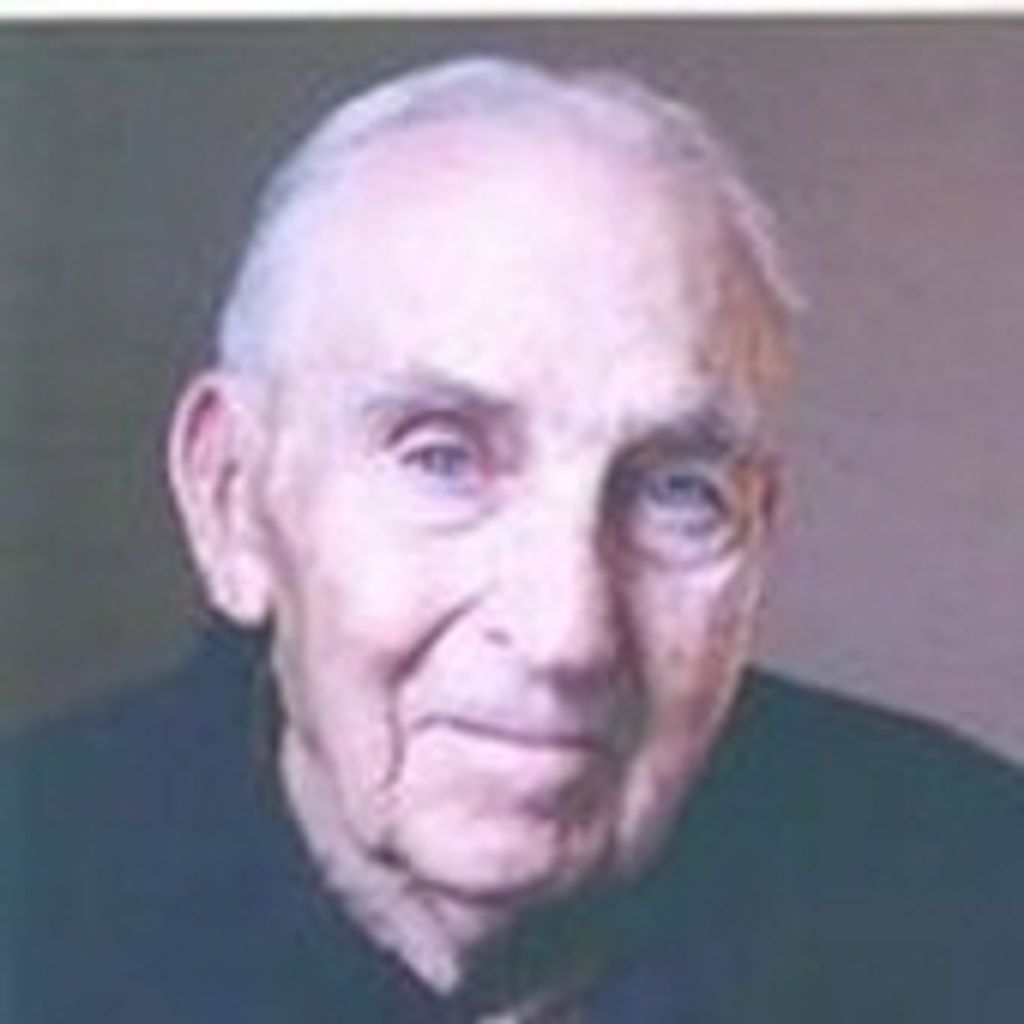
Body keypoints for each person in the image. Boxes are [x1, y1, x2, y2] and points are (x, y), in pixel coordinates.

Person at [3, 56, 1022, 1023]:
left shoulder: (976, 888)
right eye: (442, 458)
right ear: (231, 497)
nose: (566, 634)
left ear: (757, 538)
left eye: (678, 491)